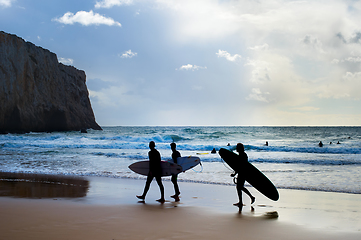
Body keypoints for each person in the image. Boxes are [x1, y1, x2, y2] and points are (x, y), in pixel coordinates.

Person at [231, 143, 255, 211]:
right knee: (239, 187)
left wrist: (235, 174)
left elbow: (240, 166)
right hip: (242, 172)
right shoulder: (242, 154)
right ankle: (241, 202)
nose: (236, 149)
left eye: (237, 147)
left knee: (240, 187)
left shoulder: (243, 155)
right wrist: (235, 174)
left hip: (243, 173)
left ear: (239, 148)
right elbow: (238, 166)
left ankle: (251, 197)